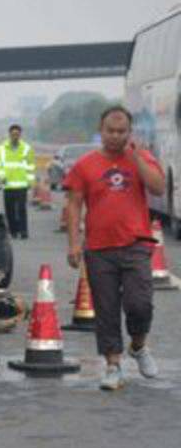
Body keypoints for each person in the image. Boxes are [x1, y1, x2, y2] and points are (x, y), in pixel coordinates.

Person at [64, 106, 166, 391]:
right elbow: (73, 204)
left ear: (129, 132)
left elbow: (158, 188)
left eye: (122, 132)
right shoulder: (85, 165)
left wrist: (137, 158)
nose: (116, 137)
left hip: (136, 245)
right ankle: (112, 365)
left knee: (140, 304)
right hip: (99, 249)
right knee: (106, 310)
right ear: (101, 129)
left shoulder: (141, 157)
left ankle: (139, 345)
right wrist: (73, 243)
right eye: (110, 131)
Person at [0, 124, 35, 238]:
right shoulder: (1, 149)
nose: (15, 136)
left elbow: (31, 166)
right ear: (9, 135)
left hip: (22, 184)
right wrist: (2, 176)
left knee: (22, 209)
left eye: (17, 134)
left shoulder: (26, 148)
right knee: (10, 210)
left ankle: (23, 231)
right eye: (13, 134)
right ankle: (13, 231)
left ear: (20, 135)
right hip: (8, 185)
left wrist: (30, 182)